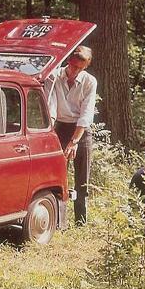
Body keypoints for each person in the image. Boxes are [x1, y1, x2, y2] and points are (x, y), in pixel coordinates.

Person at [44, 45, 97, 225]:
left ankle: (81, 221)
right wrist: (49, 132)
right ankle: (60, 221)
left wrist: (75, 141)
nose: (74, 71)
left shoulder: (90, 82)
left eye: (79, 68)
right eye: (73, 66)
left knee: (82, 178)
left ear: (85, 67)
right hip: (59, 127)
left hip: (81, 131)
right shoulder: (54, 75)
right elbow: (50, 105)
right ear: (69, 61)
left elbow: (86, 114)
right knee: (59, 176)